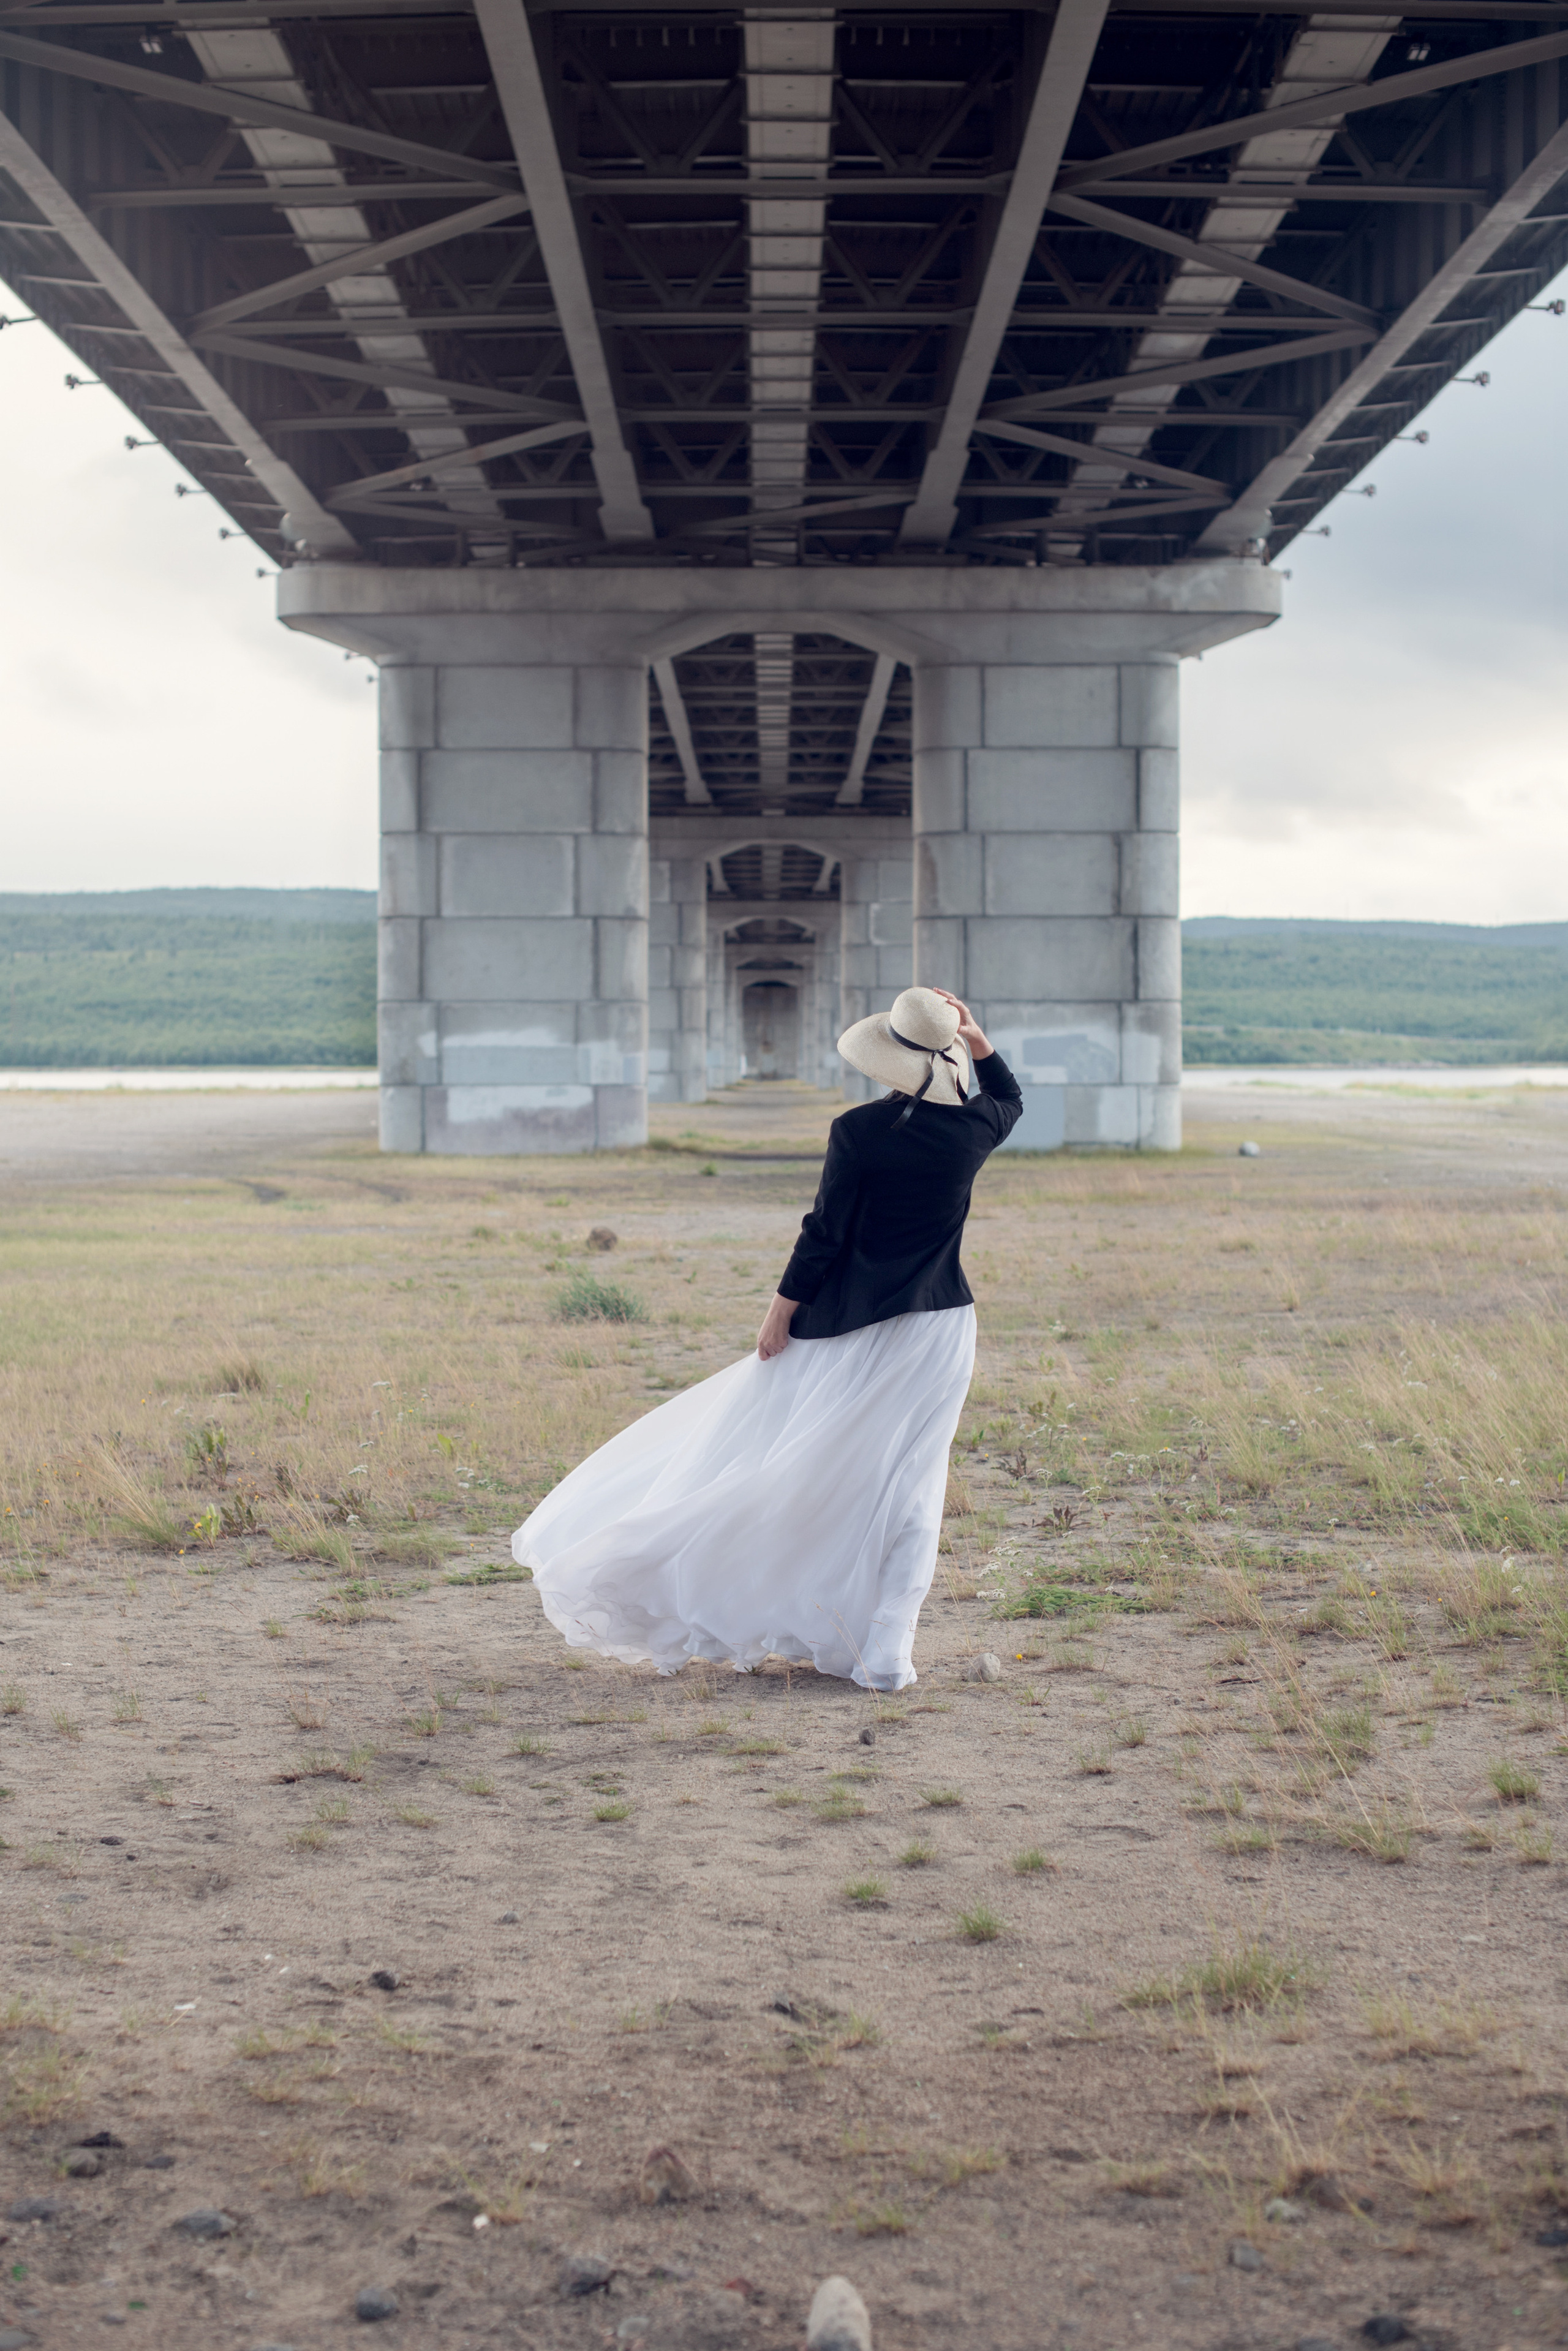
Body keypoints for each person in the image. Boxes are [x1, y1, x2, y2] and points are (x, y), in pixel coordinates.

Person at [511, 986, 1022, 1691]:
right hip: (939, 1331)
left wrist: (779, 1311)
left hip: (850, 1331)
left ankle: (742, 1595)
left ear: (885, 1058)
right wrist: (977, 1039)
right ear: (952, 1053)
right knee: (912, 1490)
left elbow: (824, 1234)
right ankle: (886, 1654)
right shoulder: (976, 1128)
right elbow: (1009, 1096)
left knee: (784, 1467)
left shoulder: (859, 1132)